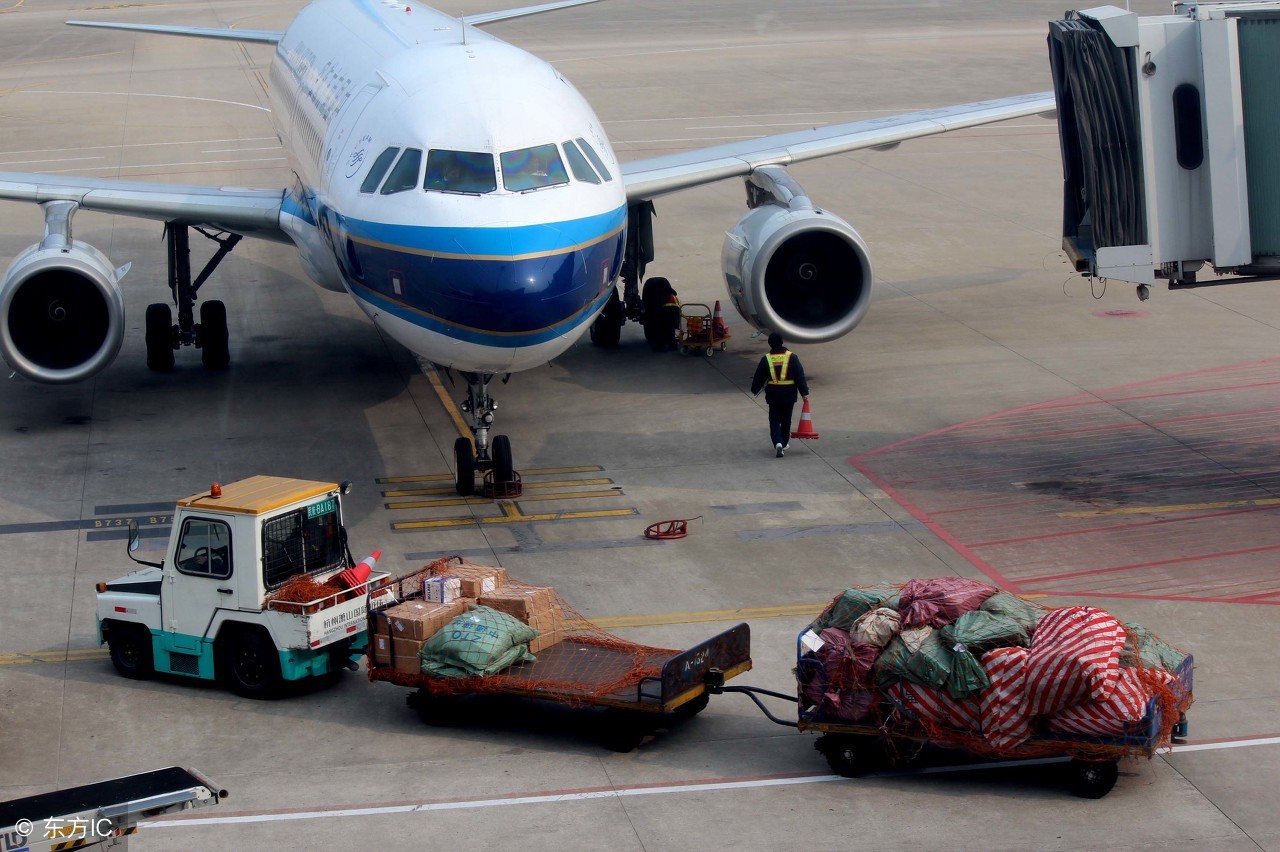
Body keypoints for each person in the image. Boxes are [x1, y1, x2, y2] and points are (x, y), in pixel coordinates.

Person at [751, 332, 809, 457]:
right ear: (782, 342)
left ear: (769, 343)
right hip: (789, 393)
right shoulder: (792, 357)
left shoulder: (766, 358)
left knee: (774, 419)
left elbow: (759, 376)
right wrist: (804, 392)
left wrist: (754, 389)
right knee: (786, 419)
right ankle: (783, 442)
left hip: (774, 394)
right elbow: (800, 375)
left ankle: (777, 442)